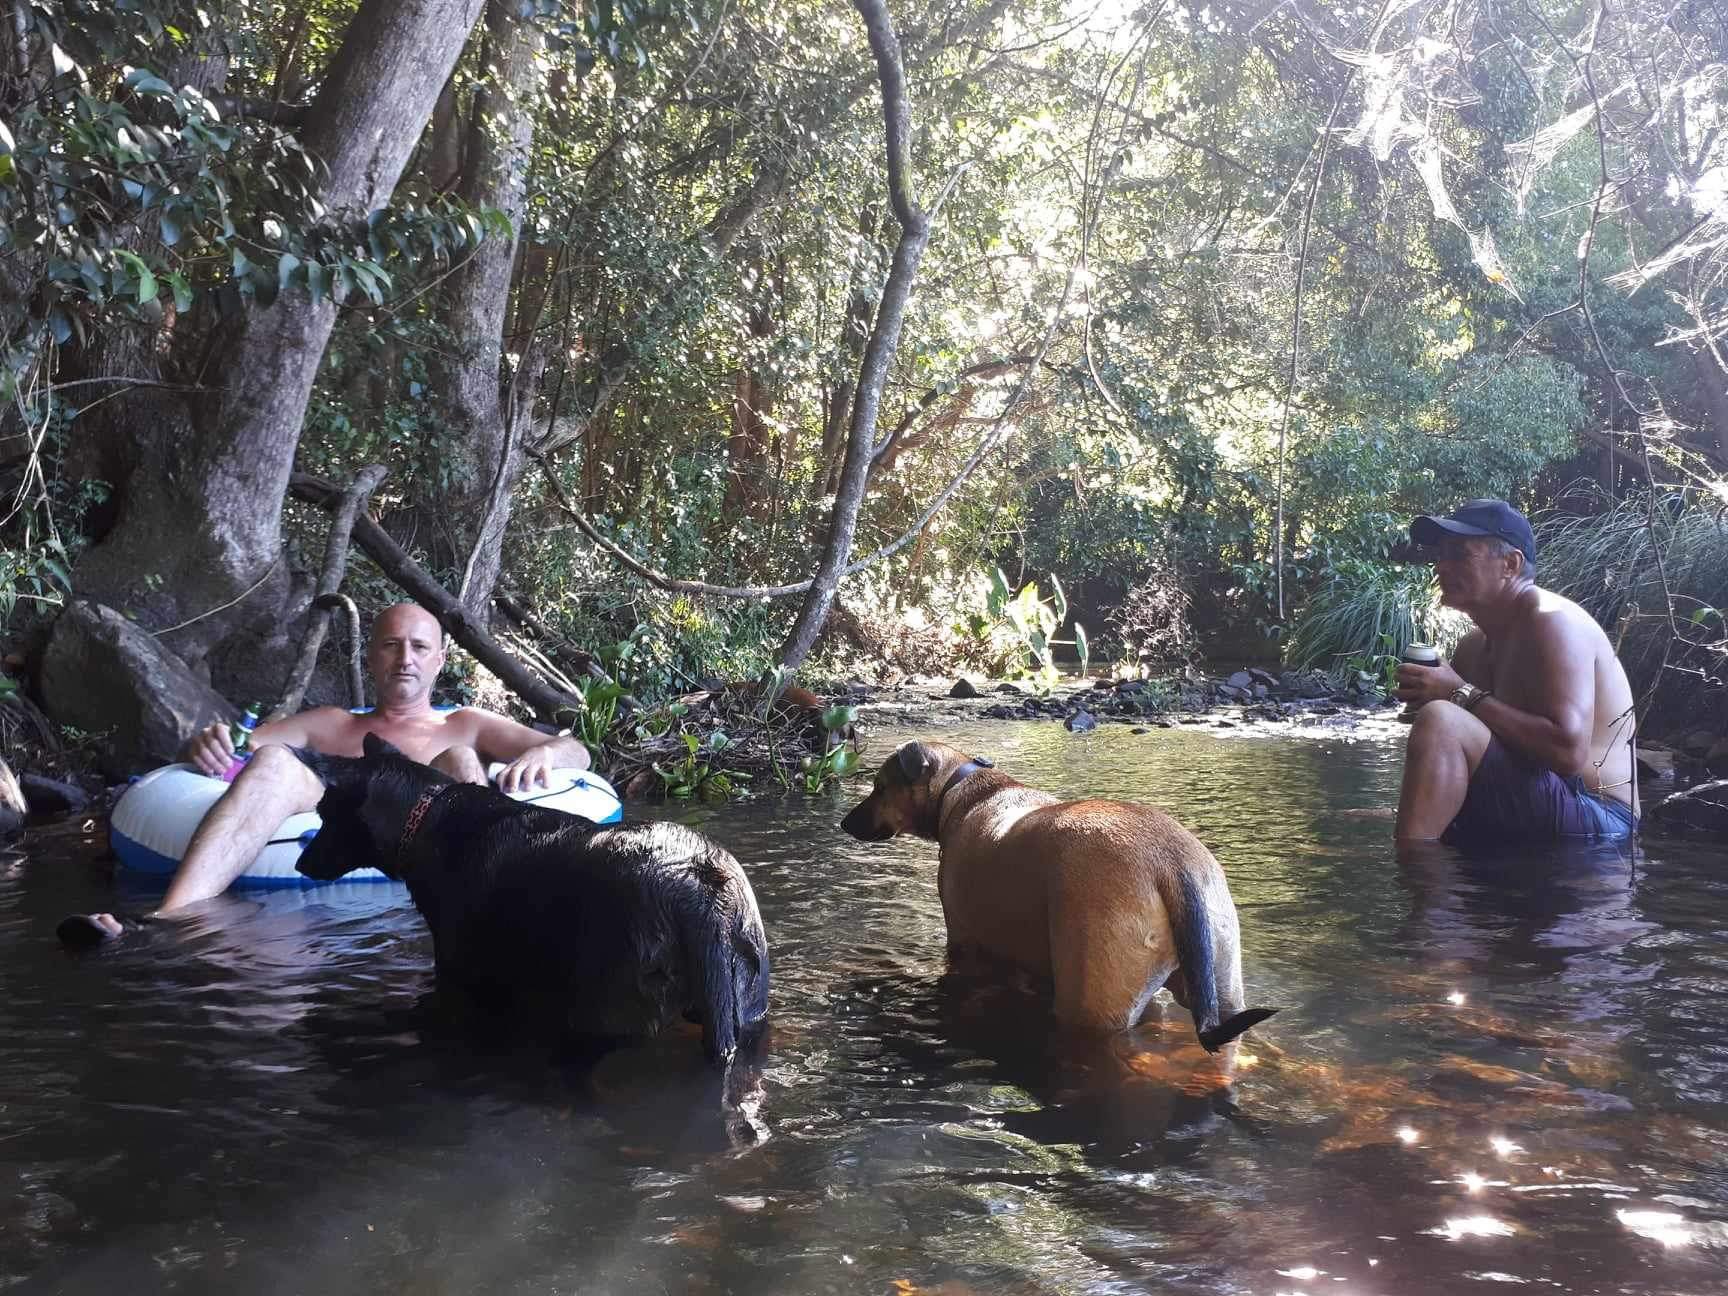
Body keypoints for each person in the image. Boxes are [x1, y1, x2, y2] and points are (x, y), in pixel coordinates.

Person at [62, 602, 591, 942]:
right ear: (370, 657)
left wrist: (547, 754)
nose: (404, 658)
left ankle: (484, 926)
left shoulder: (466, 723)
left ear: (439, 660)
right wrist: (205, 741)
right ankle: (165, 922)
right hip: (338, 837)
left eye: (418, 647)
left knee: (457, 762)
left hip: (443, 873)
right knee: (273, 761)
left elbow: (576, 753)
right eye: (390, 644)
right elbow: (237, 750)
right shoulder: (330, 724)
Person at [1393, 499, 1639, 846]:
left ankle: (1412, 876)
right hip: (1539, 799)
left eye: (1460, 554)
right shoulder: (1473, 645)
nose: (1442, 566)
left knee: (1442, 720)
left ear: (1510, 564)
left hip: (1601, 819)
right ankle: (1420, 861)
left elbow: (1568, 754)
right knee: (1437, 720)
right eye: (1441, 554)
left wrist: (1458, 693)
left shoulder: (1551, 620)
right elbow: (1467, 746)